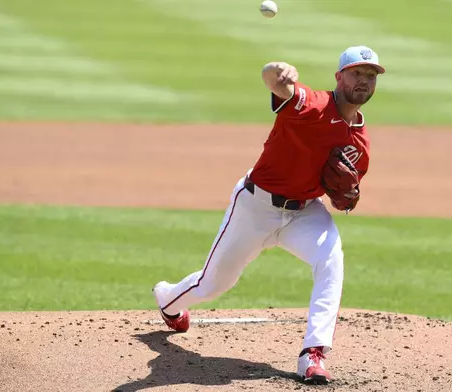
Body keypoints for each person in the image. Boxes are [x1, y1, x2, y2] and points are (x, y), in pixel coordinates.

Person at [151, 45, 385, 385]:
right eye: (356, 73)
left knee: (331, 259)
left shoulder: (360, 140)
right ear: (339, 77)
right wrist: (278, 69)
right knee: (214, 283)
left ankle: (313, 353)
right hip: (255, 207)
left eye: (370, 75)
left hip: (305, 213)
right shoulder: (311, 104)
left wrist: (349, 196)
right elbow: (273, 80)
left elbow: (345, 200)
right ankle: (168, 299)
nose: (363, 80)